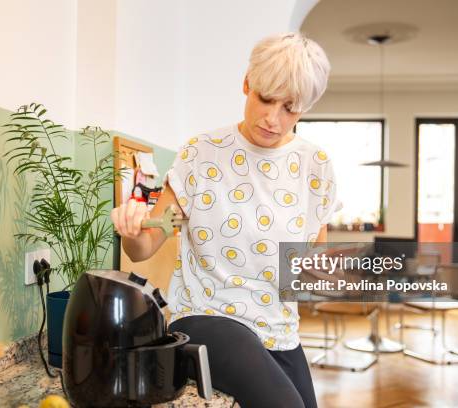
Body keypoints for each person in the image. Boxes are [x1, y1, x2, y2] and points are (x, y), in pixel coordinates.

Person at [111, 32, 336, 408]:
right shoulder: (201, 154)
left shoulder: (315, 167)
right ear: (247, 83)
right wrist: (132, 230)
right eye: (265, 98)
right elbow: (144, 246)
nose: (273, 118)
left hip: (277, 330)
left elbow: (313, 264)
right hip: (204, 318)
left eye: (290, 108)